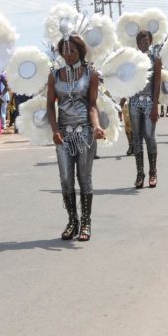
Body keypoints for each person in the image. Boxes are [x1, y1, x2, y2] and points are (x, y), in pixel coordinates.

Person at [46, 34, 105, 241]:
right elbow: (50, 106)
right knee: (65, 179)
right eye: (65, 50)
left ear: (81, 51)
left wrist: (97, 126)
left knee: (84, 178)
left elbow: (92, 105)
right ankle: (72, 220)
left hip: (85, 133)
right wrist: (55, 130)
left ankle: (86, 222)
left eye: (72, 50)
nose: (68, 54)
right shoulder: (54, 75)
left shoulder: (91, 74)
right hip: (63, 134)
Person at [128, 31, 162, 188]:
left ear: (150, 41)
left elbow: (156, 84)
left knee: (149, 135)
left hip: (149, 101)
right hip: (134, 101)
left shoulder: (155, 59)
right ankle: (139, 174)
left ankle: (153, 172)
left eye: (146, 40)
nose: (143, 42)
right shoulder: (130, 60)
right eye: (140, 40)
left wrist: (155, 106)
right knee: (136, 138)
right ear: (137, 42)